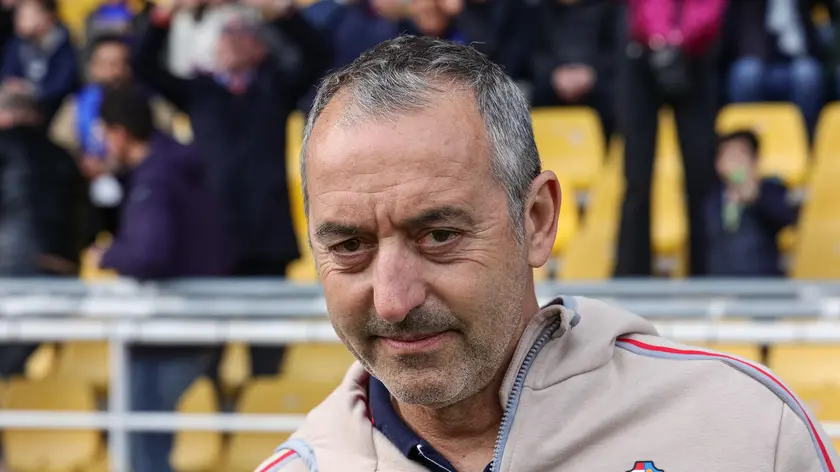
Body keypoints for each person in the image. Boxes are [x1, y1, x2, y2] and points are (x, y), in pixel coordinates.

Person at [254, 36, 839, 472]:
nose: (393, 299)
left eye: (439, 236)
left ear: (536, 220)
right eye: (349, 246)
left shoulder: (745, 431)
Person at [133, 0, 330, 376]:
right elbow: (144, 67)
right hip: (214, 237)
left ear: (260, 47)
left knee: (268, 353)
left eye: (242, 33)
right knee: (207, 351)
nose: (232, 40)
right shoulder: (199, 91)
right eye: (226, 34)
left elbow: (319, 55)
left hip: (267, 237)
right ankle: (214, 400)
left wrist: (283, 13)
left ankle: (262, 402)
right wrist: (164, 15)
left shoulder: (275, 87)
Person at [92, 84, 230, 472]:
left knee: (141, 440)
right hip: (193, 318)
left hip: (169, 325)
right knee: (147, 437)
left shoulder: (155, 179)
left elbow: (149, 252)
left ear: (119, 133)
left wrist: (108, 255)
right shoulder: (177, 168)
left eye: (104, 134)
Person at [614, 0, 726, 277]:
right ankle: (631, 279)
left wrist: (677, 38)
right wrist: (662, 37)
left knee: (700, 175)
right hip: (644, 53)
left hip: (696, 55)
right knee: (637, 176)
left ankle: (708, 276)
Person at [705, 130, 799, 276]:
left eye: (740, 156)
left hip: (762, 281)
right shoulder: (711, 197)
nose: (734, 163)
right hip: (720, 282)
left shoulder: (770, 189)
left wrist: (753, 194)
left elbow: (785, 217)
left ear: (754, 160)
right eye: (728, 155)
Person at [0, 0, 79, 123]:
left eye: (27, 14)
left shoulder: (64, 46)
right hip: (18, 105)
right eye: (18, 14)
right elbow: (8, 76)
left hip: (52, 111)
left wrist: (29, 90)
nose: (19, 19)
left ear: (48, 16)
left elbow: (60, 86)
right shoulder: (16, 44)